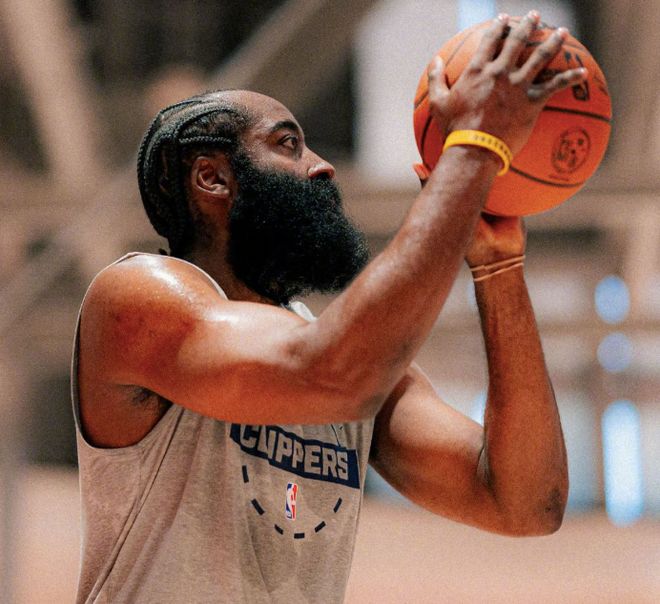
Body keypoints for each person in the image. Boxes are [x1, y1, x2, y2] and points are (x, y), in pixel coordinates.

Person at [71, 12, 587, 603]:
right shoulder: (138, 295)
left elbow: (526, 503)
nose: (322, 165)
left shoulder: (349, 363)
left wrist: (499, 267)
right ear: (212, 178)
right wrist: (474, 147)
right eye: (287, 144)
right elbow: (329, 371)